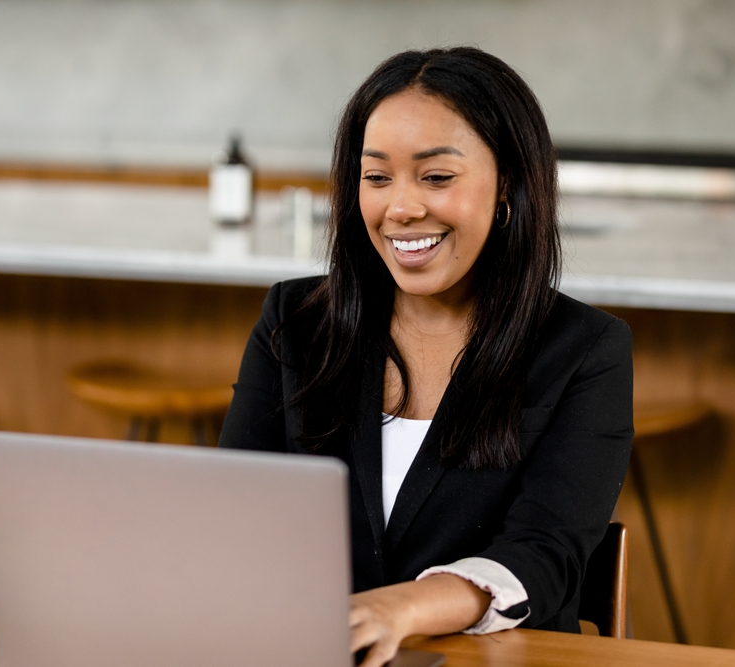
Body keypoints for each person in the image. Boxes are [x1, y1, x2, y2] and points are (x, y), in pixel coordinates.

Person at [219, 46, 632, 667]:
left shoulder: (583, 350)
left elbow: (545, 553)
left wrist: (399, 609)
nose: (401, 208)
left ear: (509, 187)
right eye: (377, 177)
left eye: (436, 177)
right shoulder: (295, 321)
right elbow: (236, 514)